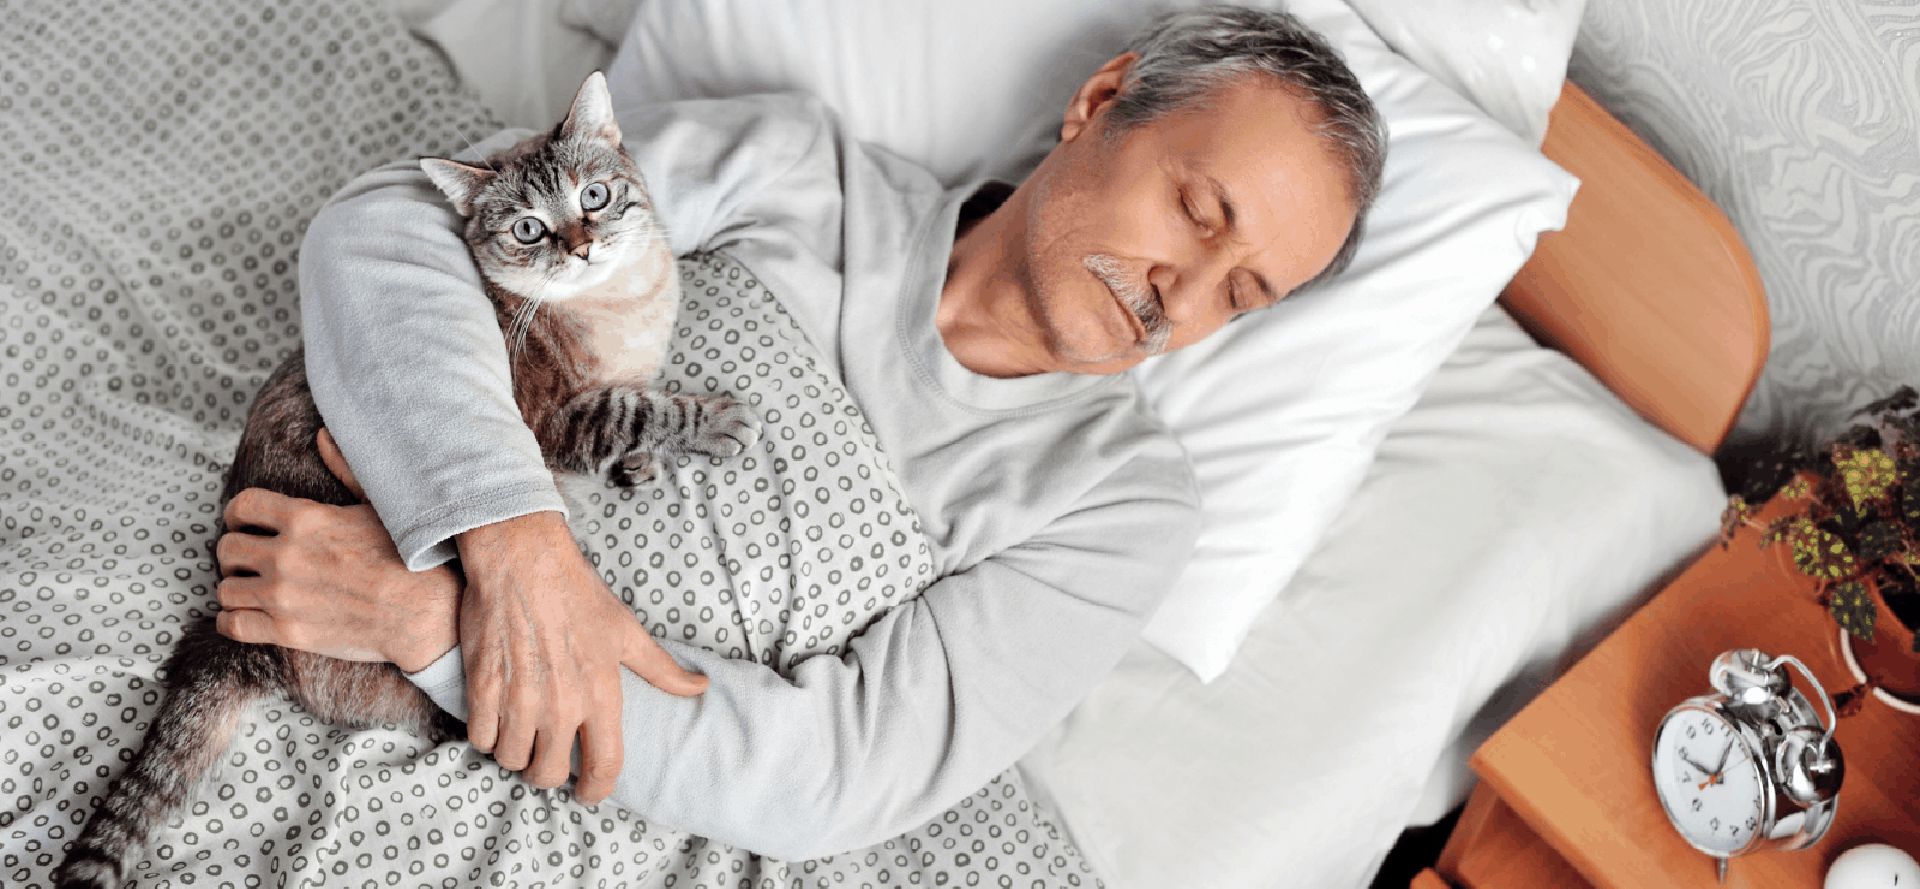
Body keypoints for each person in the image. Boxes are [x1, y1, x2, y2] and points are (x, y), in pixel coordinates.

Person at [210, 5, 1384, 860]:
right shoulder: (796, 176)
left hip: (532, 731)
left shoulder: (1118, 501)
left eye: (1243, 294)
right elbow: (391, 235)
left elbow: (839, 771)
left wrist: (439, 622)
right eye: (1199, 211)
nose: (1184, 297)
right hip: (314, 559)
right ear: (1102, 98)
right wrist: (511, 542)